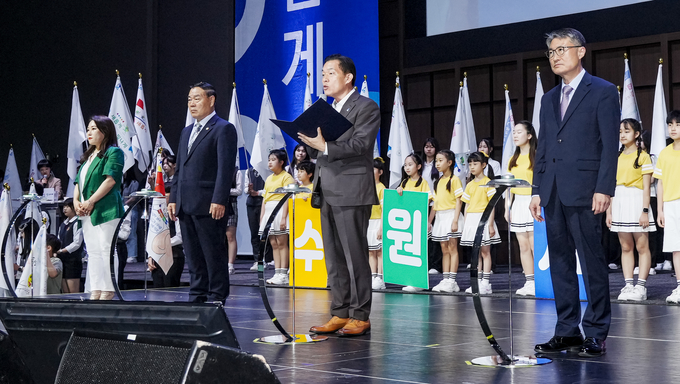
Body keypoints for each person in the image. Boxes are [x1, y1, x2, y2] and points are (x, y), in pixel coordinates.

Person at [530, 28, 619, 358]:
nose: (555, 56)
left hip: (586, 190)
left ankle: (596, 330)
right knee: (560, 264)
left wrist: (604, 188)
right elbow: (544, 148)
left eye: (561, 49)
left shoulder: (603, 91)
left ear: (580, 52)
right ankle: (567, 330)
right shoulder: (548, 98)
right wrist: (537, 189)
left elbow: (610, 146)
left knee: (592, 263)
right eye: (551, 52)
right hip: (552, 191)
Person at [299, 54, 380, 337]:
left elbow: (361, 144)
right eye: (323, 73)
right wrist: (309, 141)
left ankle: (360, 314)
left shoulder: (367, 107)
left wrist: (325, 146)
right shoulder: (327, 110)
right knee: (333, 257)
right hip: (326, 189)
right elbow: (317, 151)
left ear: (348, 77)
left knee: (355, 255)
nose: (324, 78)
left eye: (330, 73)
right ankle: (339, 311)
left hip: (352, 190)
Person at [168, 82, 237, 304]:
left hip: (209, 204)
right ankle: (197, 294)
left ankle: (216, 296)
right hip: (185, 204)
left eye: (197, 98)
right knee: (194, 256)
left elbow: (225, 169)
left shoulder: (223, 128)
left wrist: (219, 199)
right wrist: (173, 198)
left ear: (211, 100)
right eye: (189, 99)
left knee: (213, 254)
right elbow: (180, 168)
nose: (192, 103)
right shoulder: (187, 131)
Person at [74, 115, 126, 301]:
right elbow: (78, 183)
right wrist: (76, 202)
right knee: (93, 251)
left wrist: (90, 201)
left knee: (106, 248)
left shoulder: (114, 152)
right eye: (88, 129)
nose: (89, 132)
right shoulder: (88, 156)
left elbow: (110, 180)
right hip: (87, 210)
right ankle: (96, 288)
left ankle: (109, 288)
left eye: (94, 128)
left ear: (105, 131)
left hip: (106, 208)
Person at [606, 119, 656, 301]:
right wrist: (609, 211)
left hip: (636, 201)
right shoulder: (616, 157)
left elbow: (646, 188)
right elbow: (611, 186)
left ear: (636, 134)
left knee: (642, 246)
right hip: (619, 200)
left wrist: (644, 210)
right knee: (625, 246)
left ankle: (641, 287)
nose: (622, 135)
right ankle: (628, 285)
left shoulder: (643, 156)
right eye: (620, 131)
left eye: (626, 131)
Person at [506, 121, 538, 296]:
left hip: (533, 202)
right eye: (514, 132)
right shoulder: (513, 159)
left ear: (529, 135)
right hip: (518, 203)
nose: (516, 135)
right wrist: (507, 208)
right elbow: (509, 187)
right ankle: (530, 282)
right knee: (523, 246)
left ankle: (541, 281)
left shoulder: (537, 156)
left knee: (535, 245)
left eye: (519, 132)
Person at [462, 152, 500, 294]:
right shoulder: (470, 184)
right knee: (475, 253)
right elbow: (466, 205)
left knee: (485, 252)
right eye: (470, 164)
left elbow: (492, 205)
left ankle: (486, 282)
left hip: (483, 218)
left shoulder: (488, 183)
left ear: (483, 165)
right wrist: (466, 223)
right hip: (471, 220)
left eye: (475, 163)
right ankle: (476, 282)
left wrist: (490, 224)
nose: (472, 167)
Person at [429, 150, 464, 293]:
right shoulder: (438, 181)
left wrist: (455, 220)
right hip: (441, 218)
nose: (437, 164)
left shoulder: (454, 180)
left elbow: (459, 201)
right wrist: (430, 221)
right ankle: (445, 278)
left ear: (449, 163)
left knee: (452, 248)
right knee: (444, 249)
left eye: (440, 160)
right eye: (436, 161)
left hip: (451, 215)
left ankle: (452, 280)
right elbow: (435, 205)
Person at [396, 153, 432, 293]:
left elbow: (427, 201)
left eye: (410, 164)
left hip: (418, 222)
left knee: (420, 252)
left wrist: (428, 221)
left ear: (418, 166)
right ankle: (410, 280)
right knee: (409, 252)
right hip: (407, 225)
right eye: (405, 165)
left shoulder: (423, 183)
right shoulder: (404, 183)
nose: (407, 167)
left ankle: (420, 281)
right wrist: (399, 191)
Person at [258, 149, 294, 285]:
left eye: (273, 160)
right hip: (269, 210)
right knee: (273, 243)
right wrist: (262, 217)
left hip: (279, 210)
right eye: (269, 160)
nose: (270, 162)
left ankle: (284, 273)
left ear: (281, 162)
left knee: (282, 243)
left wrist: (284, 217)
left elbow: (287, 198)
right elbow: (264, 199)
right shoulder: (268, 178)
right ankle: (277, 272)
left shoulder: (287, 177)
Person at [656, 110, 680, 303]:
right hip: (671, 205)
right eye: (670, 125)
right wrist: (660, 209)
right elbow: (660, 183)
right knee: (675, 248)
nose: (673, 128)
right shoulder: (664, 153)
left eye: (678, 124)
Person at [422, 138, 443, 275]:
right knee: (424, 236)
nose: (429, 149)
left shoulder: (439, 166)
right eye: (426, 146)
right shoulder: (421, 165)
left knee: (435, 235)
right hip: (422, 203)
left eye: (432, 147)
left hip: (435, 203)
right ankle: (426, 263)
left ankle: (436, 264)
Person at [245, 167, 273, 271]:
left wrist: (258, 192)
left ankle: (267, 259)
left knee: (266, 233)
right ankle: (257, 260)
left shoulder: (268, 172)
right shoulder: (249, 171)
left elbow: (269, 189)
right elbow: (244, 190)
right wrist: (249, 189)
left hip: (264, 203)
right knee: (254, 233)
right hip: (251, 205)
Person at [56, 198, 83, 293]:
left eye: (68, 206)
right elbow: (58, 239)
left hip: (73, 261)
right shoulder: (63, 224)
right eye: (64, 206)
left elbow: (77, 243)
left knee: (73, 292)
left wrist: (62, 250)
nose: (65, 209)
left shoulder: (78, 222)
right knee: (65, 291)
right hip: (62, 260)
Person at [369, 157, 386, 290]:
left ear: (380, 172)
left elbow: (384, 210)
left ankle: (380, 278)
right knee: (371, 252)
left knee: (379, 251)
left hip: (378, 222)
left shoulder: (381, 188)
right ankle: (372, 276)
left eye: (373, 169)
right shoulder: (366, 186)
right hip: (368, 222)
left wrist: (381, 227)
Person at [122, 168, 140, 264]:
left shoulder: (134, 183)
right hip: (122, 210)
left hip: (131, 210)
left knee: (131, 232)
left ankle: (132, 255)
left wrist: (126, 203)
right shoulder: (123, 183)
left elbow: (134, 197)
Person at [227, 167, 243, 275]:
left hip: (230, 205)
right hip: (214, 204)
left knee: (230, 236)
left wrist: (223, 190)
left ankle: (230, 264)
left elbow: (239, 190)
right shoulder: (214, 168)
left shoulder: (236, 171)